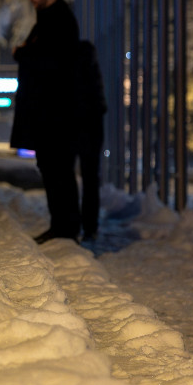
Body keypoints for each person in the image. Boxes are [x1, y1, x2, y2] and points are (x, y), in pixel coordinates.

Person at [10, 0, 81, 244]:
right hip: (51, 113)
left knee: (57, 170)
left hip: (55, 114)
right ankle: (62, 227)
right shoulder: (50, 19)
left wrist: (24, 54)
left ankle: (65, 230)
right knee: (53, 169)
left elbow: (49, 62)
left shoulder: (58, 21)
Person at [76, 40, 107, 241]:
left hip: (77, 129)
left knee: (73, 178)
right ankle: (90, 226)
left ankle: (77, 224)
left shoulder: (74, 80)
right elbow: (100, 106)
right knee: (90, 179)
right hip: (93, 131)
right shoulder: (94, 79)